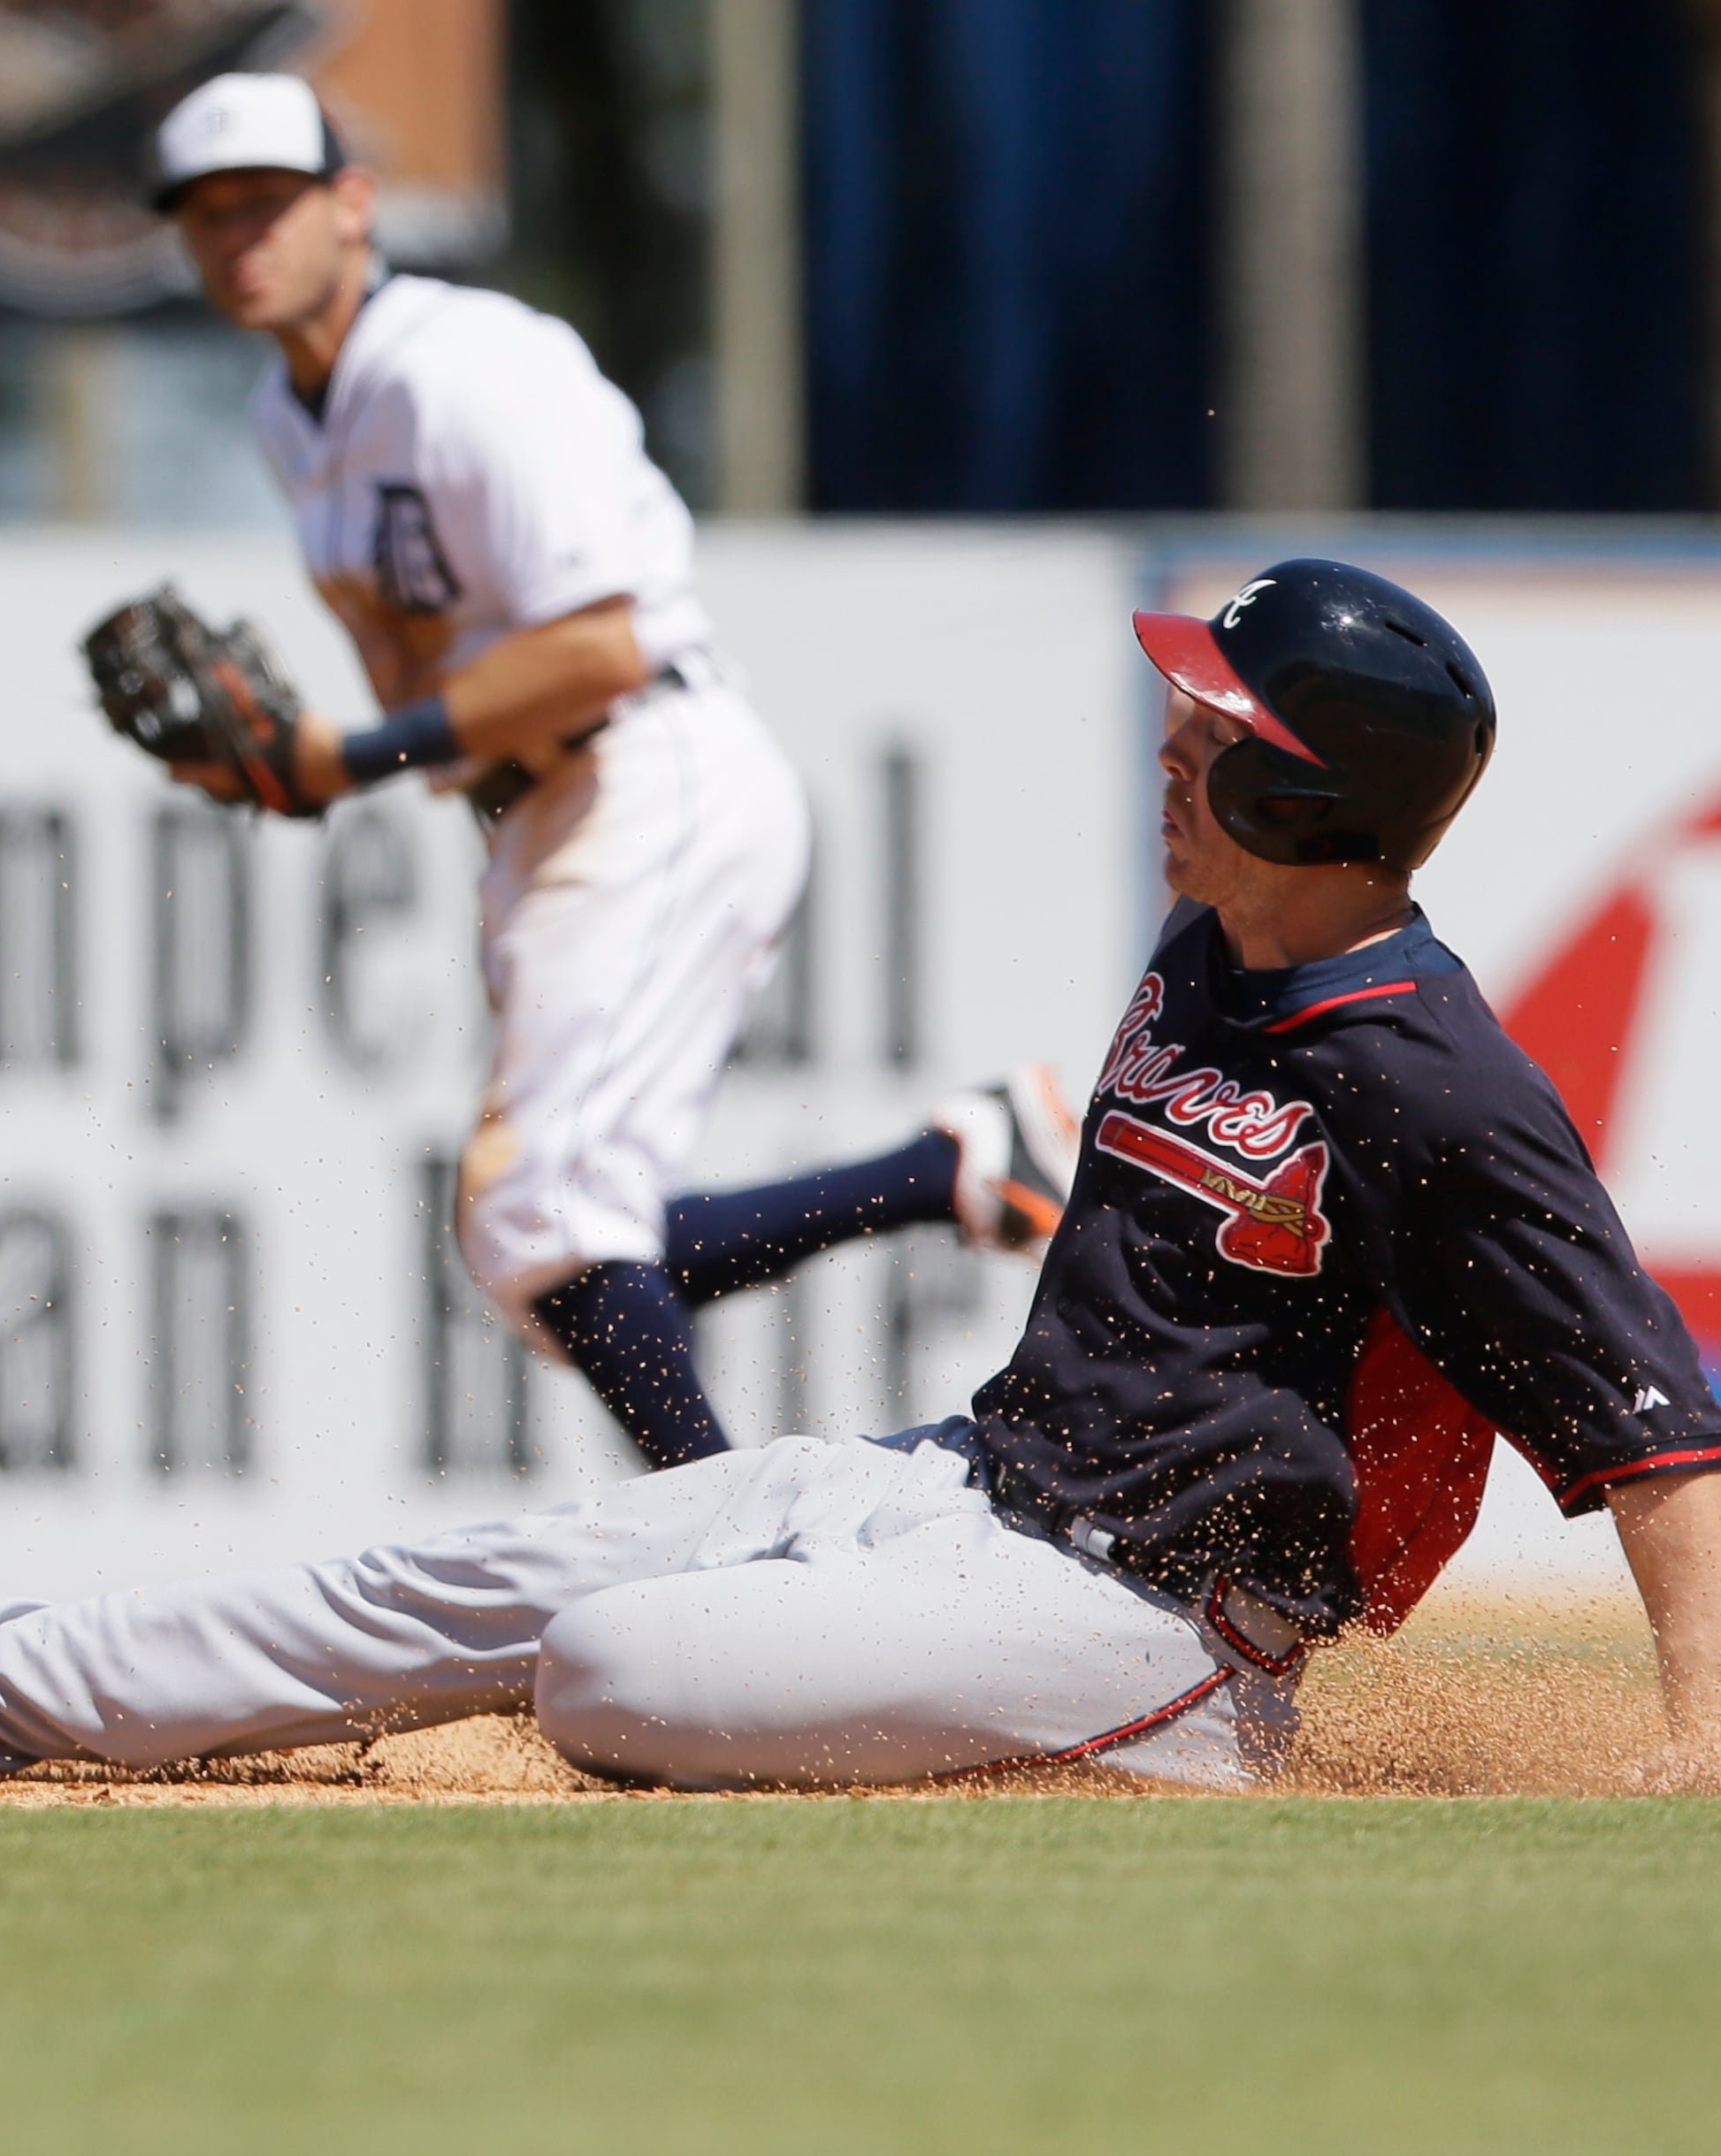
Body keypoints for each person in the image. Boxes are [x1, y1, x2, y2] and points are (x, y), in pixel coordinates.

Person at [0, 560, 1721, 1793]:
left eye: (1209, 733)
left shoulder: (1440, 1083)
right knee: (453, 1580)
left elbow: (1646, 1421)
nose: (1167, 750)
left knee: (612, 1663)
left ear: (1308, 791)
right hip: (954, 1486)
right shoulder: (1209, 948)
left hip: (1154, 1632)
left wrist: (1714, 1747)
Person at [110, 73, 1077, 1469]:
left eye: (266, 199)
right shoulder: (289, 414)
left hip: (653, 765)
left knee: (541, 1216)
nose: (237, 234)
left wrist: (350, 755)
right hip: (549, 813)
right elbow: (445, 674)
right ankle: (950, 1168)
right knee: (542, 1252)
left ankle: (735, 1557)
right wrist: (306, 774)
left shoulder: (465, 365)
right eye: (206, 212)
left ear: (354, 204)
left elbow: (608, 642)